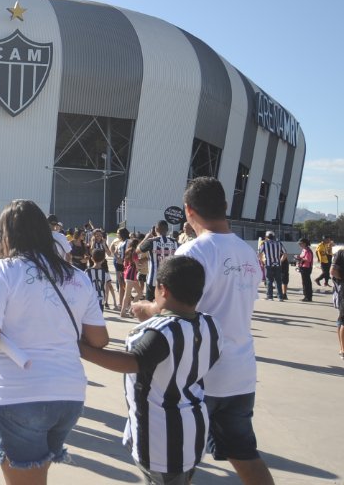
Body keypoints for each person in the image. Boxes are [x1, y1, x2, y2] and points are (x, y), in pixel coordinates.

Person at [135, 176, 274, 485]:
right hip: (240, 371)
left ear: (188, 210)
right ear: (225, 206)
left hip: (196, 375)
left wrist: (143, 309)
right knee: (245, 455)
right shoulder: (247, 253)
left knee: (176, 463)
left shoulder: (192, 253)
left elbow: (167, 308)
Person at [0, 200, 108, 485]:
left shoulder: (2, 271)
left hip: (18, 394)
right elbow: (99, 339)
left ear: (7, 234)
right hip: (69, 393)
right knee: (37, 475)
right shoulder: (77, 276)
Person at [80, 256, 222, 484]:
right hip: (193, 427)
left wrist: (81, 348)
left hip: (162, 439)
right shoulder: (211, 324)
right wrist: (157, 312)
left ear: (163, 289)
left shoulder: (162, 333)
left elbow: (132, 361)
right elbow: (179, 331)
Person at [138, 221, 179, 302]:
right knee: (166, 304)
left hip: (153, 279)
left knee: (150, 303)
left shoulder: (151, 241)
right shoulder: (174, 242)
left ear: (156, 229)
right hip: (169, 280)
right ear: (167, 229)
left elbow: (137, 251)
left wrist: (146, 237)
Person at [258, 231, 286, 301]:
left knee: (269, 280)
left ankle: (270, 296)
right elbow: (285, 253)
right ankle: (280, 297)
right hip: (277, 264)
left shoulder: (264, 243)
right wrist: (280, 261)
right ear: (273, 236)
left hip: (268, 264)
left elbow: (259, 253)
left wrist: (262, 261)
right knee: (278, 280)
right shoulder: (279, 243)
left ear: (266, 237)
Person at [331, 249, 343, 360]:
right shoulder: (340, 253)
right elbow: (333, 271)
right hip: (342, 292)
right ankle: (343, 349)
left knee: (341, 319)